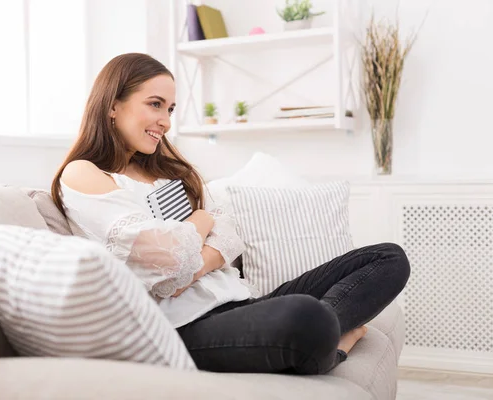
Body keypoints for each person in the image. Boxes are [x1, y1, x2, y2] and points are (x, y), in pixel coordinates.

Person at [50, 53, 411, 375]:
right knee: (306, 314)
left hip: (242, 302)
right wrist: (201, 223)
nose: (165, 121)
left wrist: (188, 261)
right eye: (155, 104)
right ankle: (329, 343)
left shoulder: (171, 172)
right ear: (113, 105)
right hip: (181, 327)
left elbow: (227, 235)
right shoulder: (84, 174)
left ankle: (321, 343)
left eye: (171, 109)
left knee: (388, 258)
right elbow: (166, 264)